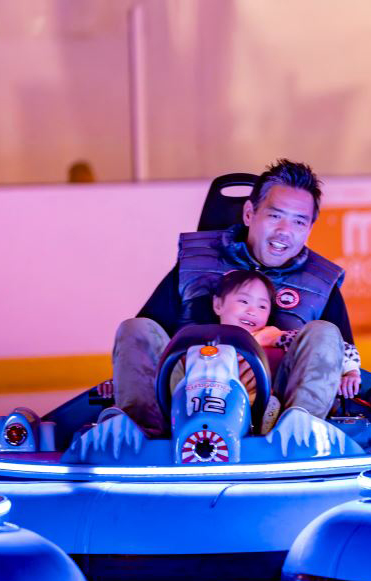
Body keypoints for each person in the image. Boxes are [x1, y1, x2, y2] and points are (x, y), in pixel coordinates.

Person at [112, 159, 358, 436]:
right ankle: (146, 435)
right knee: (135, 328)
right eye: (275, 216)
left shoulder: (322, 284)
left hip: (274, 409)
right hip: (183, 399)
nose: (284, 231)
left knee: (326, 332)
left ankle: (298, 433)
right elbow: (145, 338)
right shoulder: (195, 265)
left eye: (299, 221)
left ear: (310, 228)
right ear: (250, 213)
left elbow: (344, 358)